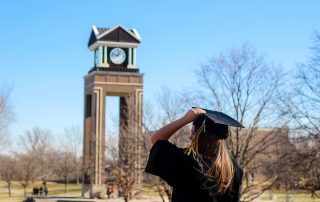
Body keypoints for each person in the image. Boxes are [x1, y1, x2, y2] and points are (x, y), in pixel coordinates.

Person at [145, 107, 244, 202]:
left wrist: (185, 119)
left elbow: (157, 140)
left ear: (201, 136)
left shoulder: (189, 162)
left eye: (193, 132)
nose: (190, 137)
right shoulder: (233, 169)